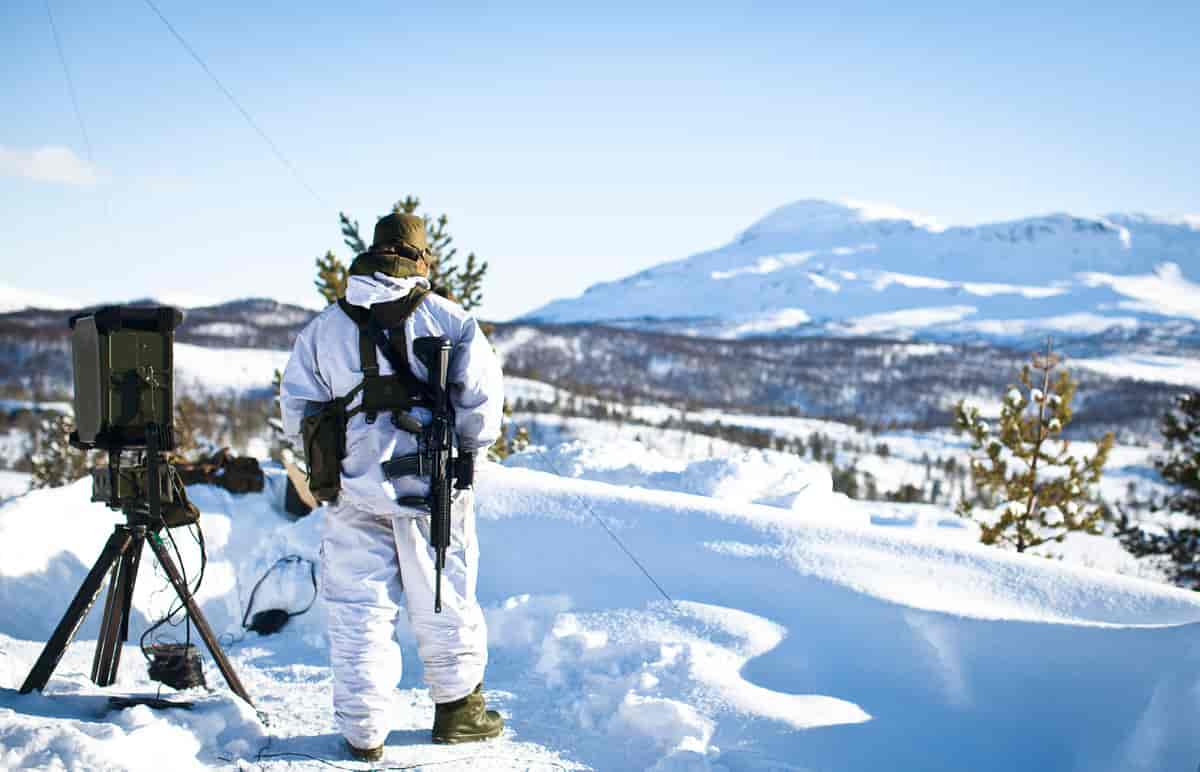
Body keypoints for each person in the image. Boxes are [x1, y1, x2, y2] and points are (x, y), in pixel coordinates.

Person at [280, 212, 505, 760]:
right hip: (433, 490)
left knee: (359, 612)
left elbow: (297, 414)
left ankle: (364, 732)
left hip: (355, 492)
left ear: (372, 254)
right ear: (420, 259)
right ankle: (458, 712)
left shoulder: (323, 328)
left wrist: (337, 463)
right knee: (444, 599)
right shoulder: (450, 320)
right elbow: (482, 410)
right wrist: (465, 453)